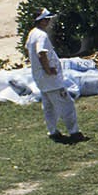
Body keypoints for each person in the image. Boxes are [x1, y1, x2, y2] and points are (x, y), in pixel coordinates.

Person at [27, 10, 81, 142]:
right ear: (42, 21)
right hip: (50, 79)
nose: (49, 22)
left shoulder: (32, 33)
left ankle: (52, 130)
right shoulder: (41, 35)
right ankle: (74, 132)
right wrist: (48, 69)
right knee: (67, 104)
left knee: (49, 106)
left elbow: (27, 48)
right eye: (47, 19)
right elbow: (42, 53)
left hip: (40, 78)